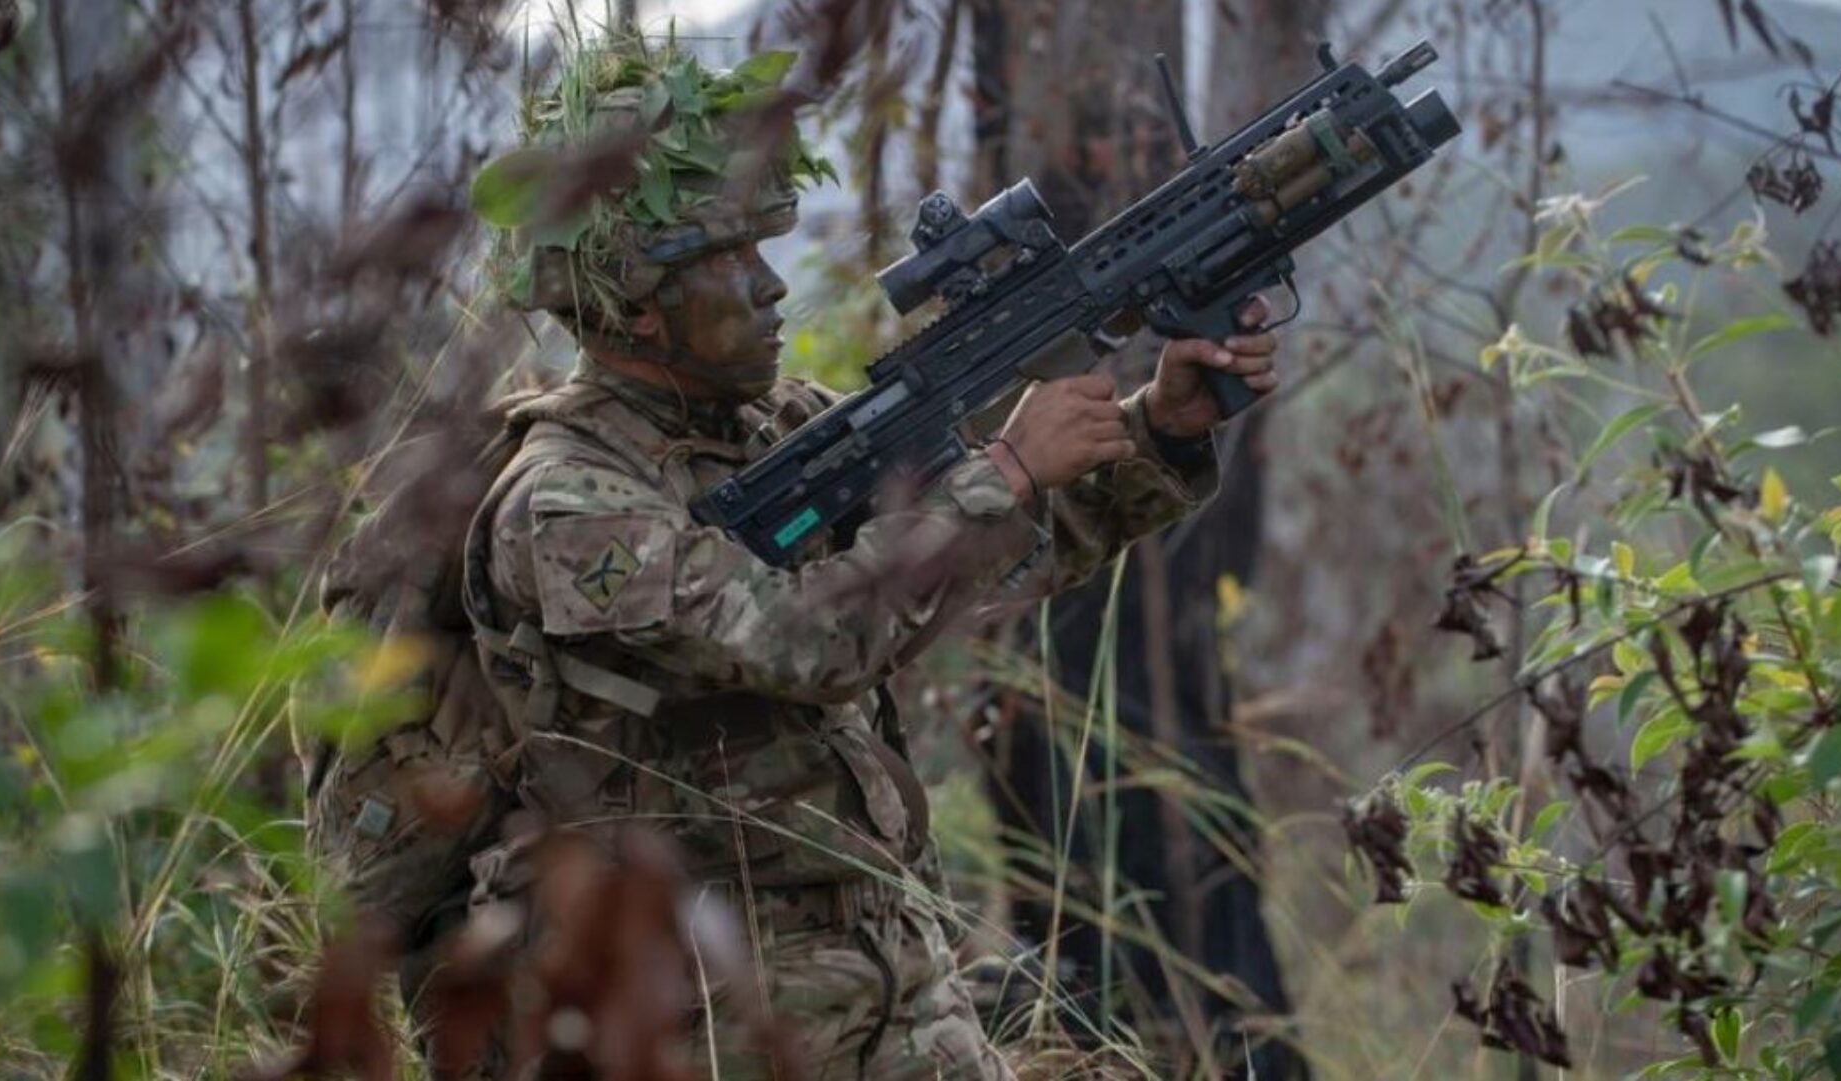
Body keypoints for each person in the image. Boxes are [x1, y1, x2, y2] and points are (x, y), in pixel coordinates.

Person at [449, 31, 1279, 1080]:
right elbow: (803, 641)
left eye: (764, 250)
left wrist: (1160, 426)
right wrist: (1010, 472)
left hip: (887, 978)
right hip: (694, 1012)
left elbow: (979, 561)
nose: (769, 288)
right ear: (632, 300)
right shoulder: (565, 502)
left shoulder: (777, 428)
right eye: (726, 261)